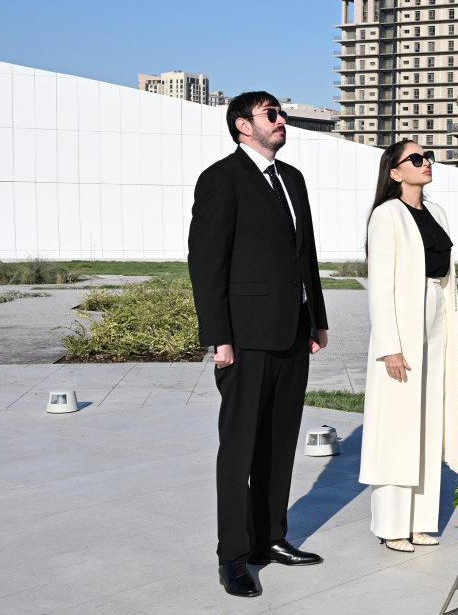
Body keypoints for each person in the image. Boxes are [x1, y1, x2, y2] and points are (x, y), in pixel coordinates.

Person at [188, 91, 329, 598]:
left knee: (278, 441)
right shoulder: (221, 179)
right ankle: (233, 555)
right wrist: (218, 337)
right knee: (241, 447)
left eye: (282, 112)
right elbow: (206, 264)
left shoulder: (291, 179)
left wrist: (318, 319)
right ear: (243, 125)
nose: (282, 119)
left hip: (292, 331)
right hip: (244, 338)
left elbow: (305, 253)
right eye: (272, 113)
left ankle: (271, 538)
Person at [358, 140, 458, 552]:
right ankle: (391, 524)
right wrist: (389, 346)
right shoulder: (387, 215)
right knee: (399, 422)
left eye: (428, 157)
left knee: (429, 419)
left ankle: (421, 521)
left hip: (437, 311)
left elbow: (446, 277)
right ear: (395, 172)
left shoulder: (437, 213)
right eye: (416, 159)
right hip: (404, 321)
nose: (426, 163)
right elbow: (379, 286)